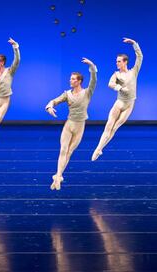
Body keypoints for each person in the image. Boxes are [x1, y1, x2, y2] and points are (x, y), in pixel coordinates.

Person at [45, 58, 97, 190]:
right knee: (63, 150)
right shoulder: (67, 94)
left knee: (69, 152)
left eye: (73, 79)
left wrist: (91, 65)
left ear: (79, 81)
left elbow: (94, 80)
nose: (70, 80)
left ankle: (58, 175)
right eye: (70, 78)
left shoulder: (87, 92)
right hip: (69, 124)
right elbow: (54, 101)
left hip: (80, 126)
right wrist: (49, 107)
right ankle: (58, 178)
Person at [92, 38, 143, 161]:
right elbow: (110, 84)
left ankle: (100, 149)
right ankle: (98, 148)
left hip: (129, 104)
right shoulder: (116, 74)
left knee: (115, 128)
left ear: (125, 62)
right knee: (109, 126)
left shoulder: (133, 72)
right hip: (119, 103)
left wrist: (134, 44)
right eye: (116, 61)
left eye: (119, 61)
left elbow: (139, 57)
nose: (117, 63)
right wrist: (119, 87)